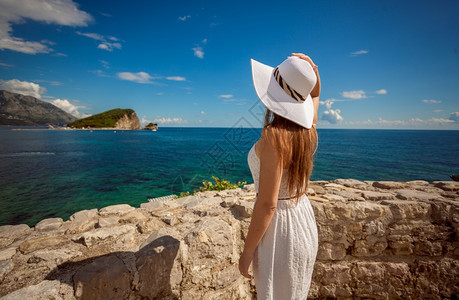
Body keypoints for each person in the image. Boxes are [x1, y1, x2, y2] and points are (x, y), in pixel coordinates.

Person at [239, 53, 321, 299]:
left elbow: (267, 204)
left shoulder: (273, 136)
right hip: (303, 220)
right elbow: (315, 95)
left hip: (281, 233)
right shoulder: (309, 132)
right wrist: (312, 72)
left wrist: (246, 253)